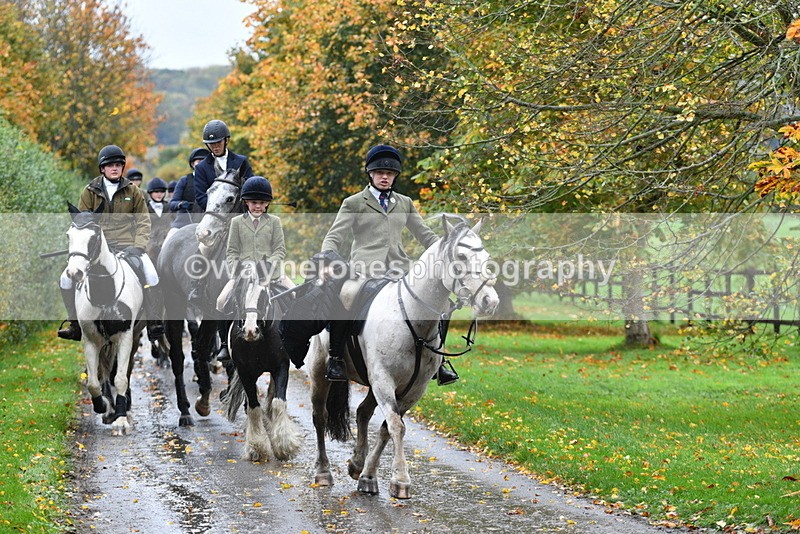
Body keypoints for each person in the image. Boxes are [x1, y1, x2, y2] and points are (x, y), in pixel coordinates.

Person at [319, 144, 459, 385]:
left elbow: (424, 234)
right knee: (346, 295)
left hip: (399, 270)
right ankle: (336, 358)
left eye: (390, 174)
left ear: (395, 176)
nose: (385, 177)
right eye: (380, 173)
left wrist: (446, 250)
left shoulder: (404, 203)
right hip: (364, 269)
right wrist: (329, 255)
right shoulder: (354, 203)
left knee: (442, 303)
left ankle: (438, 360)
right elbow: (334, 236)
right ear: (370, 174)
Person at [57, 145, 164, 342]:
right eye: (110, 165)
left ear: (122, 167)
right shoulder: (89, 191)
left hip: (128, 246)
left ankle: (154, 322)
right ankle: (74, 323)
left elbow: (143, 221)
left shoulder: (134, 191)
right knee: (65, 278)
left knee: (152, 274)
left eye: (118, 165)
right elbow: (82, 222)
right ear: (102, 169)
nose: (114, 168)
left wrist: (138, 246)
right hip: (97, 249)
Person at [216, 176, 289, 311]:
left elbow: (280, 249)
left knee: (295, 296)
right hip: (244, 275)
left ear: (267, 204)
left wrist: (268, 265)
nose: (257, 206)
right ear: (246, 202)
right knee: (220, 302)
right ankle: (226, 332)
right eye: (254, 202)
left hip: (272, 275)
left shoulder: (274, 221)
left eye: (262, 202)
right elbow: (232, 251)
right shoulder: (236, 222)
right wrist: (237, 268)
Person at [193, 119, 254, 211]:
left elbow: (251, 188)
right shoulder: (201, 167)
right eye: (211, 144)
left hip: (240, 212)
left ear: (226, 140)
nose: (215, 147)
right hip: (214, 215)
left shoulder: (241, 161)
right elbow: (201, 197)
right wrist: (218, 209)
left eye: (219, 142)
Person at [166, 147, 209, 242]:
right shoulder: (184, 180)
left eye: (205, 161)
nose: (202, 164)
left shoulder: (213, 182)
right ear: (193, 164)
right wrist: (180, 204)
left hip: (206, 224)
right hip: (183, 223)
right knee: (169, 238)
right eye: (199, 161)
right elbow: (172, 204)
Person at [145, 177, 170, 263]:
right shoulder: (144, 208)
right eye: (156, 192)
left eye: (162, 191)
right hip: (150, 246)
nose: (159, 194)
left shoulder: (170, 207)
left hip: (167, 243)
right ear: (150, 193)